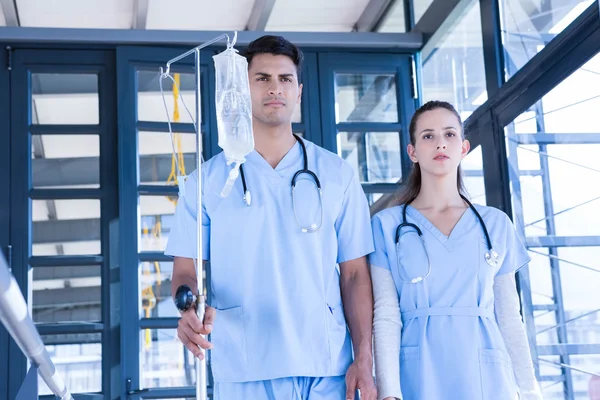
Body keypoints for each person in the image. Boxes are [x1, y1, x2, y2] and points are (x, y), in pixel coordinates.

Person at [165, 35, 377, 400]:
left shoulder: (337, 174)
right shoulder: (205, 182)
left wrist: (364, 358)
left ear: (299, 91)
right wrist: (187, 307)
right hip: (243, 366)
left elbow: (356, 274)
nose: (274, 88)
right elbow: (185, 270)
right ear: (242, 90)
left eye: (285, 79)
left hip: (326, 366)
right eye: (261, 78)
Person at [369, 100, 543, 400]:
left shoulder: (495, 224)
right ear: (412, 152)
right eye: (428, 136)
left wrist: (529, 391)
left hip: (486, 373)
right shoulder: (386, 225)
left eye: (450, 134)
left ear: (463, 148)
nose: (440, 143)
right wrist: (389, 392)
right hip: (418, 372)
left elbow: (509, 316)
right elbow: (386, 313)